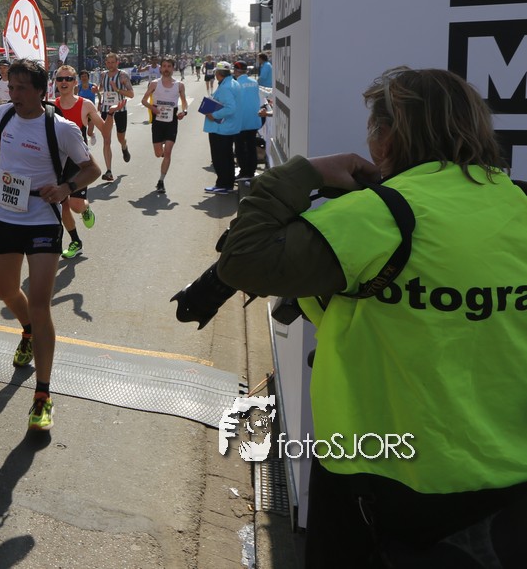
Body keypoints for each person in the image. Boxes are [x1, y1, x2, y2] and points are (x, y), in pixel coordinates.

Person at [216, 67, 527, 567]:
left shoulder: (382, 214)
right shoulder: (517, 202)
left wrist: (306, 173)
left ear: (388, 137)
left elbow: (242, 259)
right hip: (507, 482)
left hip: (378, 475)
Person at [0, 59, 100, 431]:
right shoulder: (4, 115)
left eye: (21, 88)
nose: (14, 94)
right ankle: (27, 331)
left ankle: (42, 394)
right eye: (11, 87)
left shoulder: (61, 128)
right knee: (7, 291)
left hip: (41, 220)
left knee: (39, 304)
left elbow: (92, 169)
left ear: (40, 91)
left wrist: (66, 188)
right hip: (3, 217)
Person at [51, 65, 101, 257]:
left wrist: (111, 115)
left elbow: (103, 128)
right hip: (58, 164)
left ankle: (86, 208)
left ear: (75, 83)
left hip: (79, 163)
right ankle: (75, 241)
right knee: (63, 204)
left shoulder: (85, 104)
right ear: (55, 82)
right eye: (60, 79)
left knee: (76, 205)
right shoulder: (50, 106)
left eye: (68, 79)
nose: (64, 82)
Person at [139, 58, 189, 195]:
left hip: (172, 121)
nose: (166, 69)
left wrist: (184, 112)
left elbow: (184, 102)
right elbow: (143, 100)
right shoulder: (155, 84)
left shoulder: (179, 85)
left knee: (168, 152)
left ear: (173, 68)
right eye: (164, 66)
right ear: (161, 68)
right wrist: (152, 108)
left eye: (169, 66)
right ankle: (160, 147)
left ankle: (161, 181)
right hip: (158, 121)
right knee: (158, 153)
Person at [96, 53, 135, 182]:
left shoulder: (123, 75)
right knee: (106, 140)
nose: (110, 65)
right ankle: (109, 171)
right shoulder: (103, 75)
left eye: (113, 62)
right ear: (105, 63)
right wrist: (96, 91)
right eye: (108, 62)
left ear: (118, 62)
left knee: (120, 138)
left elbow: (131, 94)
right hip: (106, 110)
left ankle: (124, 146)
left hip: (120, 110)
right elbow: (101, 89)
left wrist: (117, 89)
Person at [202, 62, 239, 194]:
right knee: (227, 156)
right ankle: (227, 184)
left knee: (220, 157)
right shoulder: (233, 83)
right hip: (228, 127)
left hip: (221, 128)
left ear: (218, 73)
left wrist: (214, 115)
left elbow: (230, 108)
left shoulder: (225, 87)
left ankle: (223, 184)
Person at [231, 61, 262, 183]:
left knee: (240, 148)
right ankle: (251, 172)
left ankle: (244, 172)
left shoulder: (235, 84)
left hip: (240, 121)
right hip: (253, 119)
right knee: (251, 147)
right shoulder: (254, 82)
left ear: (236, 71)